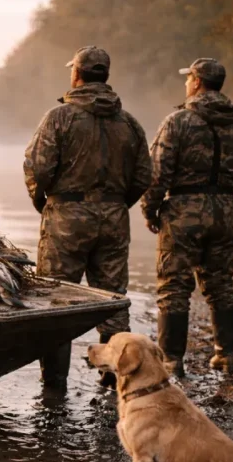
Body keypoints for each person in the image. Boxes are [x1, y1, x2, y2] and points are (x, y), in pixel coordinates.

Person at [23, 46, 152, 387]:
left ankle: (54, 389)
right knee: (112, 301)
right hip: (113, 218)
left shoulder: (59, 117)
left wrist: (42, 201)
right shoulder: (130, 123)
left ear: (77, 74)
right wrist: (117, 204)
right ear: (105, 75)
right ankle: (115, 382)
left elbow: (37, 167)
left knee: (56, 301)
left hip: (66, 216)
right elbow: (144, 176)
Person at [142, 58, 233, 376]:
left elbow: (157, 174)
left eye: (188, 79)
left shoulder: (177, 122)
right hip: (225, 212)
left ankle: (171, 361)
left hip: (183, 211)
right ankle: (227, 355)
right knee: (221, 283)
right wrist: (232, 208)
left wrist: (150, 209)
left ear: (196, 82)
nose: (186, 83)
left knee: (174, 286)